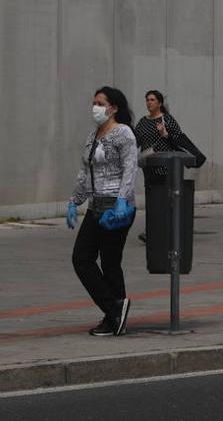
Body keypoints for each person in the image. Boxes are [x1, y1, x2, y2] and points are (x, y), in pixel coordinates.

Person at [68, 86, 139, 336]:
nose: (95, 107)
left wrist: (123, 201)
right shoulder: (93, 135)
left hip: (116, 207)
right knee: (82, 258)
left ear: (113, 108)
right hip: (95, 205)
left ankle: (113, 314)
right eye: (94, 102)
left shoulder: (124, 134)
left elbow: (130, 168)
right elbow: (84, 172)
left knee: (109, 261)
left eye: (100, 103)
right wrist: (74, 201)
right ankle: (114, 310)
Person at [133, 90, 206, 244]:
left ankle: (164, 230)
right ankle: (153, 230)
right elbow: (135, 142)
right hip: (149, 165)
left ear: (159, 103)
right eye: (147, 100)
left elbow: (180, 139)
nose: (149, 103)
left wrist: (166, 135)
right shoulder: (142, 122)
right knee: (152, 199)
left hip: (165, 165)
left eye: (152, 100)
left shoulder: (167, 120)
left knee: (165, 199)